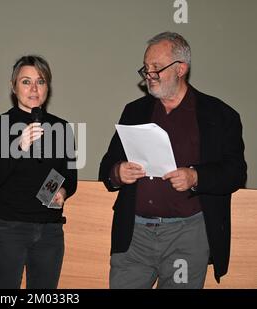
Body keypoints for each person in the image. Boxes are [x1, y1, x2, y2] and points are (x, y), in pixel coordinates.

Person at [98, 32, 247, 289]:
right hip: (134, 236)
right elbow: (107, 166)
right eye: (146, 68)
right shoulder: (134, 111)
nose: (149, 75)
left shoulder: (220, 114)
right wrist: (118, 172)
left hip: (187, 237)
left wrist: (196, 176)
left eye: (156, 68)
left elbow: (235, 172)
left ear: (181, 68)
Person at [0, 55, 77, 289]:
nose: (34, 88)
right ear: (14, 87)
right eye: (26, 81)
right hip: (9, 230)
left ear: (47, 87)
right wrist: (18, 146)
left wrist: (62, 190)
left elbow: (70, 177)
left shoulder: (62, 127)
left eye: (40, 81)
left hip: (50, 231)